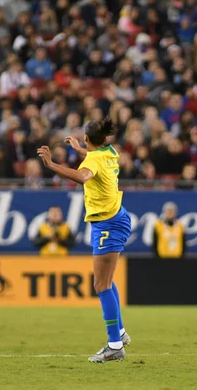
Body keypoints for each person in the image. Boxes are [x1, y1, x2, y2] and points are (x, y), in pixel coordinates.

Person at [37, 117, 131, 363]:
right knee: (106, 282)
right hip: (113, 218)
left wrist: (52, 165)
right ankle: (119, 333)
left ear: (88, 139)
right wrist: (80, 149)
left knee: (101, 285)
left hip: (108, 223)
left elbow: (82, 176)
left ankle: (114, 345)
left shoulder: (94, 159)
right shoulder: (110, 151)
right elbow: (95, 158)